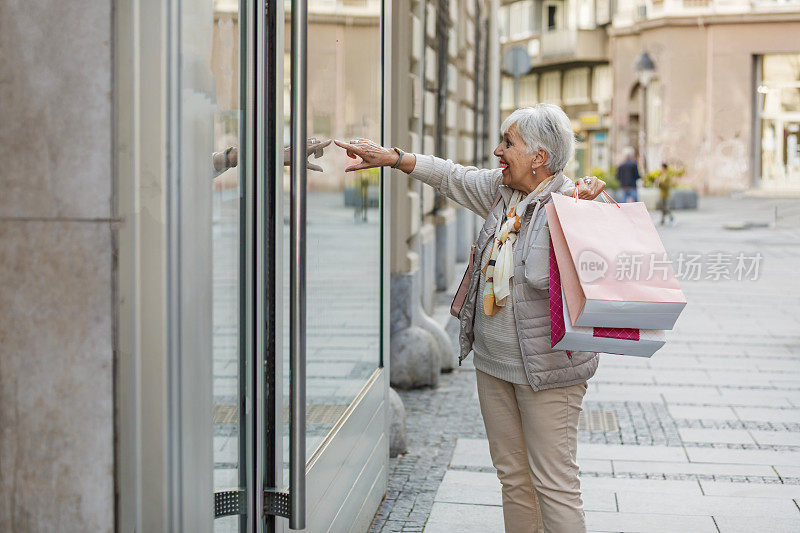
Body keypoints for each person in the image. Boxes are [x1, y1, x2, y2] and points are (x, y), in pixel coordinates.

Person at [335, 103, 605, 533]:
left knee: (554, 484)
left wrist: (594, 202)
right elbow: (450, 175)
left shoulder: (573, 202)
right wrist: (392, 157)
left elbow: (603, 249)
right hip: (494, 364)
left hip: (549, 372)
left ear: (539, 157)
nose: (498, 151)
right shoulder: (503, 194)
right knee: (513, 479)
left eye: (508, 143)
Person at [656, 162, 676, 226]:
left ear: (664, 168)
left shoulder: (667, 176)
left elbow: (666, 185)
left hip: (666, 194)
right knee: (662, 208)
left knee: (666, 208)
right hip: (662, 194)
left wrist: (659, 183)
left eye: (662, 168)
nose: (661, 169)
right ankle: (662, 220)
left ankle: (671, 218)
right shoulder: (662, 175)